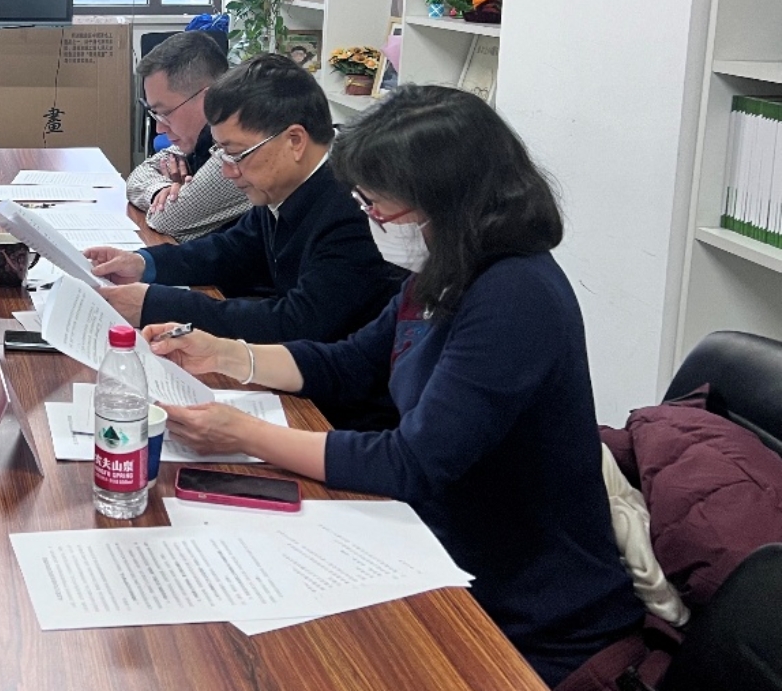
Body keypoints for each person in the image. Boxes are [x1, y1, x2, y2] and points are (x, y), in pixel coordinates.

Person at [146, 85, 643, 687]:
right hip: (438, 547)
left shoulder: (515, 296)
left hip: (523, 610)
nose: (372, 218)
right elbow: (350, 362)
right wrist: (226, 354)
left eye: (380, 204)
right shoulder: (444, 269)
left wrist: (241, 432)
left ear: (445, 200)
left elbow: (413, 462)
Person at [86, 52, 403, 346]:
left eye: (236, 154)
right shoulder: (283, 184)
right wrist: (144, 263)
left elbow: (298, 323)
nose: (227, 171)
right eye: (221, 153)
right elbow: (232, 250)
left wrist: (155, 304)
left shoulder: (357, 206)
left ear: (294, 140)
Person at [124, 33, 249, 242]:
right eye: (155, 115)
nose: (159, 128)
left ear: (208, 99)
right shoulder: (199, 140)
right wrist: (161, 189)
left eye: (165, 113)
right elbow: (138, 175)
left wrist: (176, 197)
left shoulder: (238, 148)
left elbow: (166, 219)